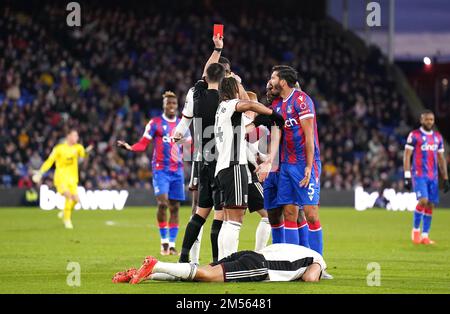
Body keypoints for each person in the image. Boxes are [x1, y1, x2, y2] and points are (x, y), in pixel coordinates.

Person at [214, 77, 284, 259]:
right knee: (236, 220)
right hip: (234, 166)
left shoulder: (221, 110)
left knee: (229, 219)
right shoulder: (231, 104)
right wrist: (272, 114)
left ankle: (222, 260)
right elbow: (248, 104)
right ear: (234, 91)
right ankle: (228, 263)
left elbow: (245, 127)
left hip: (223, 168)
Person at [173, 57, 233, 265]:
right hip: (220, 160)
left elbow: (204, 75)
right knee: (220, 214)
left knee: (200, 212)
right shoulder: (225, 103)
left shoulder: (196, 95)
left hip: (202, 160)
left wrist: (216, 49)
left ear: (205, 77)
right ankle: (217, 261)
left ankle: (183, 257)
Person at [117, 91, 189, 255]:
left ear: (177, 106)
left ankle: (171, 244)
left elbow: (190, 145)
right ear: (163, 106)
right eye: (168, 104)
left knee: (175, 208)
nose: (171, 106)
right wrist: (130, 147)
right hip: (160, 169)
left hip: (177, 170)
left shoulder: (182, 125)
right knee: (163, 204)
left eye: (174, 104)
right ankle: (163, 242)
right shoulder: (155, 123)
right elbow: (143, 143)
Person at [112, 243, 327, 284]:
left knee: (201, 272)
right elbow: (309, 277)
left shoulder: (300, 249)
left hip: (250, 253)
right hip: (259, 266)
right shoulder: (317, 259)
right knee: (206, 277)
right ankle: (156, 265)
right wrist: (318, 272)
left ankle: (146, 274)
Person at [403, 110, 449, 245]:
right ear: (421, 120)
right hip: (419, 175)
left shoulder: (437, 137)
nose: (429, 122)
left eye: (431, 119)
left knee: (430, 204)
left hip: (433, 176)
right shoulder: (414, 135)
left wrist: (445, 178)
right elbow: (407, 155)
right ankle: (415, 231)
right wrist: (407, 176)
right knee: (423, 201)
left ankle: (425, 236)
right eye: (427, 119)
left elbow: (441, 159)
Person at [32, 129, 93, 229]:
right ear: (68, 136)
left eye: (77, 136)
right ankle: (67, 220)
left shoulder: (78, 147)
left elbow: (83, 155)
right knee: (68, 196)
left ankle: (65, 212)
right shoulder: (59, 148)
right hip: (61, 178)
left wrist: (87, 152)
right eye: (74, 136)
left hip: (73, 178)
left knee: (76, 200)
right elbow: (49, 161)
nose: (76, 138)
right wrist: (41, 172)